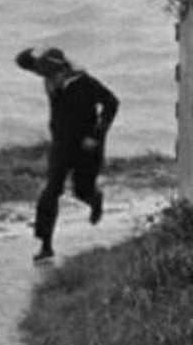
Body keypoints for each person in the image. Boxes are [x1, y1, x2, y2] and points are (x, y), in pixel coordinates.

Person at [16, 45, 120, 263]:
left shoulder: (85, 83)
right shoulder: (49, 75)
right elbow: (23, 62)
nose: (48, 82)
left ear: (62, 71)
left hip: (87, 146)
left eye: (50, 76)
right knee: (50, 191)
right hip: (61, 145)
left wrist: (97, 134)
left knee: (81, 190)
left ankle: (94, 199)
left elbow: (112, 103)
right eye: (43, 76)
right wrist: (30, 54)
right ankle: (45, 245)